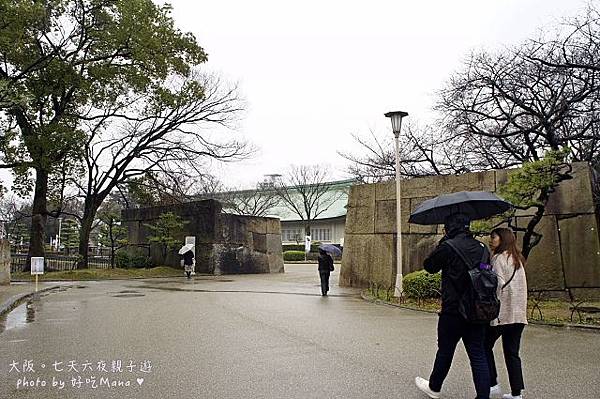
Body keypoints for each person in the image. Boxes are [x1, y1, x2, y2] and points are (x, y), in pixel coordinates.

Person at [415, 213, 491, 399]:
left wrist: (444, 242)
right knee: (478, 354)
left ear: (449, 228)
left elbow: (429, 266)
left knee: (446, 350)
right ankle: (483, 396)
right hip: (478, 309)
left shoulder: (448, 247)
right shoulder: (482, 247)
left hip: (453, 309)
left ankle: (434, 387)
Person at [485, 228, 527, 399]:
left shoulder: (498, 259)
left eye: (493, 237)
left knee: (484, 346)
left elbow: (497, 285)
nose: (491, 240)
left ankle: (492, 383)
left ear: (502, 239)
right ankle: (517, 394)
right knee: (512, 353)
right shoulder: (517, 259)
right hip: (518, 315)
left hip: (503, 315)